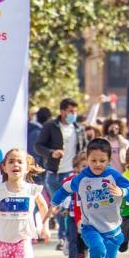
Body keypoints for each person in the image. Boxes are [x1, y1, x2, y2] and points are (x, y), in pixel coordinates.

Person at [49, 138, 129, 258]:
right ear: (87, 158)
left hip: (112, 229)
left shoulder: (114, 175)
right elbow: (64, 190)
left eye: (102, 161)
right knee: (98, 250)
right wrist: (53, 204)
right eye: (93, 160)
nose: (97, 164)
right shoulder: (81, 178)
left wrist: (123, 191)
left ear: (109, 160)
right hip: (90, 227)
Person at [35, 98, 87, 249]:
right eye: (71, 111)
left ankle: (64, 239)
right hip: (53, 174)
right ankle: (64, 237)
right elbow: (38, 146)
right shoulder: (50, 126)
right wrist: (51, 153)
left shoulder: (78, 128)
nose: (73, 114)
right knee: (59, 205)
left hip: (71, 173)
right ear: (62, 111)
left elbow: (83, 149)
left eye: (75, 111)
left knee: (67, 206)